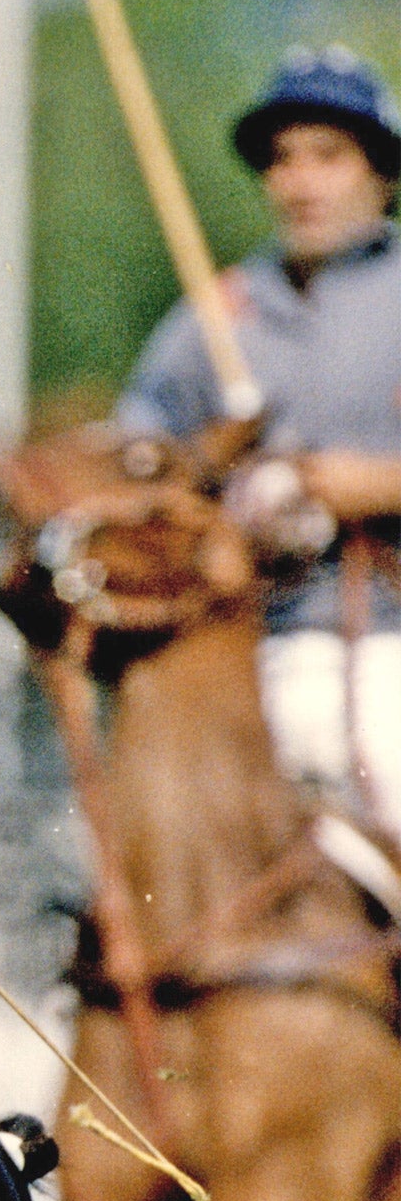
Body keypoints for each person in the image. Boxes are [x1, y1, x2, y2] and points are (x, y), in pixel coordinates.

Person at [118, 47, 401, 833]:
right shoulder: (220, 314)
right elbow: (135, 462)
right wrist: (206, 473)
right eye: (281, 160)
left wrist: (378, 484)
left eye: (328, 156)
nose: (300, 181)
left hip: (388, 643)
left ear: (380, 170)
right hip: (244, 644)